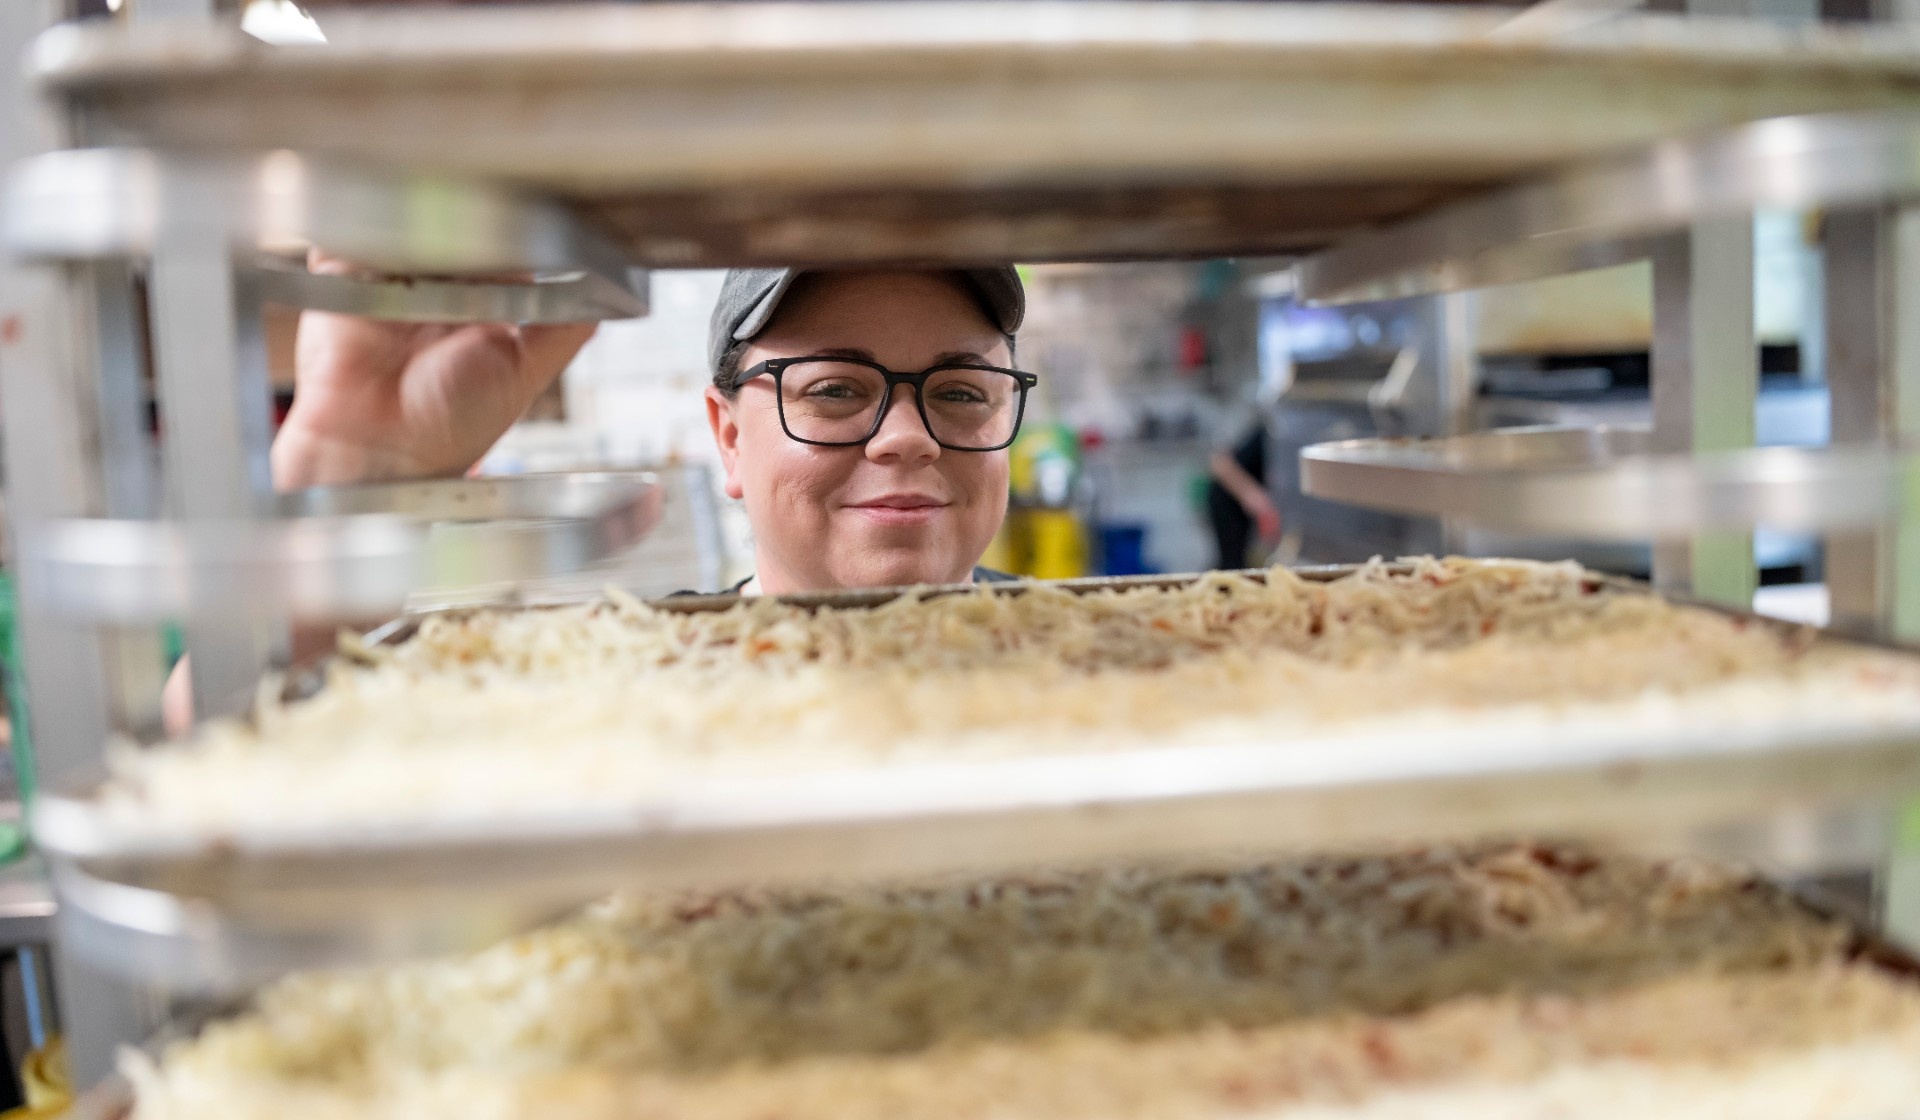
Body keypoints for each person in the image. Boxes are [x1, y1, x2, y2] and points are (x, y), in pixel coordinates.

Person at [274, 261, 1033, 593]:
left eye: (963, 393)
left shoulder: (1112, 667)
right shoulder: (638, 693)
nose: (908, 437)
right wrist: (351, 474)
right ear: (729, 438)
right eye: (834, 388)